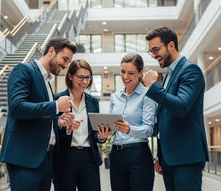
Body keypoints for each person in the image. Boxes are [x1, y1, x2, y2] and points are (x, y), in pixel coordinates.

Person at [0, 37, 77, 191]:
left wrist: (60, 121)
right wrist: (55, 105)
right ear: (51, 51)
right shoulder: (23, 70)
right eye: (65, 59)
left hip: (45, 159)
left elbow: (42, 116)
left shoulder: (47, 82)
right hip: (25, 159)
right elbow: (17, 107)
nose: (66, 65)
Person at [142, 26, 209, 191]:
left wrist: (152, 85)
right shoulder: (168, 75)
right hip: (169, 159)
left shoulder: (191, 71)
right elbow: (164, 118)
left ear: (171, 45)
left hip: (187, 158)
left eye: (156, 49)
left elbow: (181, 106)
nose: (153, 55)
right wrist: (160, 155)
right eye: (150, 51)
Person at [53, 59, 112, 191]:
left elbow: (94, 133)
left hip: (89, 158)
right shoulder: (58, 99)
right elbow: (53, 128)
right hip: (65, 156)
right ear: (70, 76)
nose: (85, 81)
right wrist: (67, 128)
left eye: (88, 77)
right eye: (81, 77)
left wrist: (101, 136)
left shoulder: (93, 102)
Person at [109, 53, 157, 191]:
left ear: (141, 73)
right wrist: (106, 132)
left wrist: (129, 129)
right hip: (116, 155)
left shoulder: (148, 95)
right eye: (123, 72)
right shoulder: (115, 97)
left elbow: (149, 129)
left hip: (138, 156)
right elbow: (113, 128)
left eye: (131, 73)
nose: (125, 77)